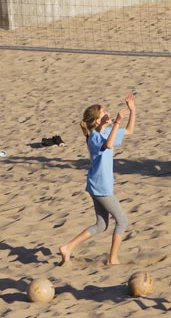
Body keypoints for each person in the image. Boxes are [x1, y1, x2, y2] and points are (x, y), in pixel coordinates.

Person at [58, 93, 137, 266]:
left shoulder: (107, 131)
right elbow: (108, 145)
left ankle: (68, 247)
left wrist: (132, 110)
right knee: (122, 221)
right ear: (96, 121)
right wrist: (116, 121)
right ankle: (113, 259)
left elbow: (129, 131)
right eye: (103, 113)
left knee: (101, 225)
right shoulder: (94, 137)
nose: (107, 114)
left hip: (97, 185)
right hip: (101, 188)